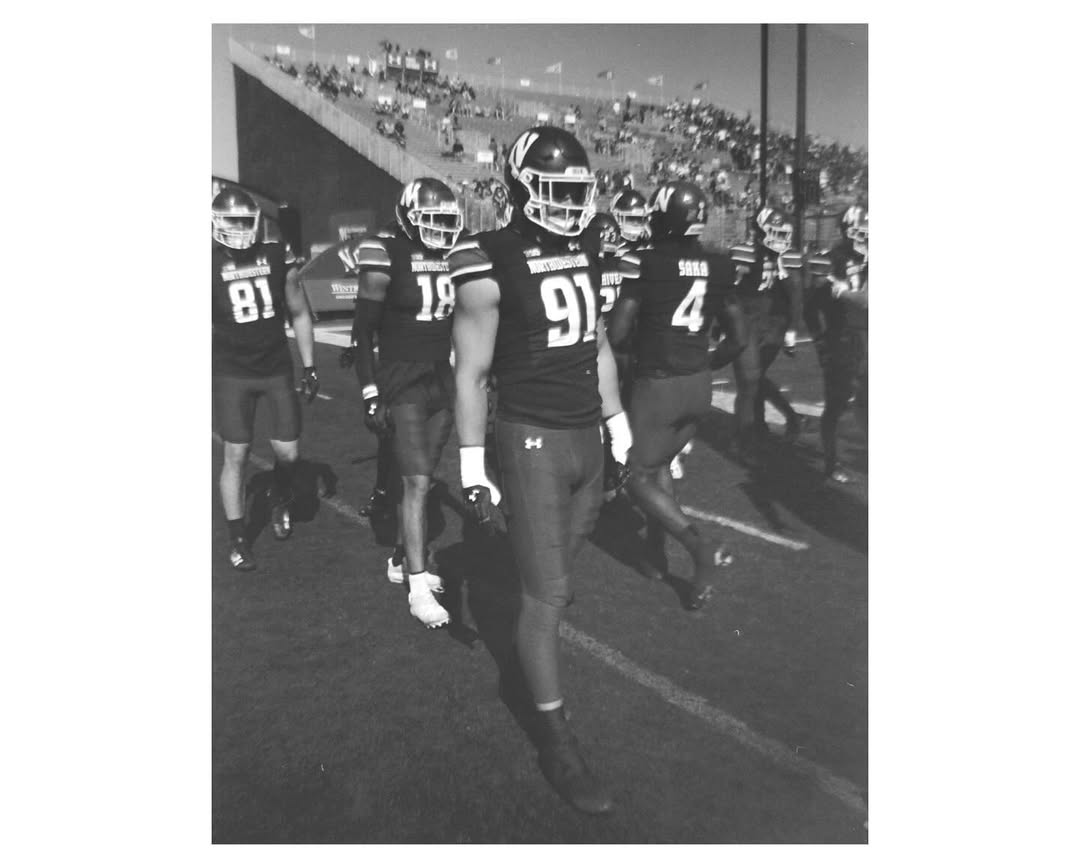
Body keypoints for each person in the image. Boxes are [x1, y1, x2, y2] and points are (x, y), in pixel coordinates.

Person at [448, 126, 629, 815]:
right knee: (548, 595)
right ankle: (556, 741)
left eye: (577, 191)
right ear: (521, 188)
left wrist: (616, 420)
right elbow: (471, 371)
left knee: (557, 583)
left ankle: (532, 644)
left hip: (586, 435)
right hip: (532, 438)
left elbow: (598, 342)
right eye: (554, 190)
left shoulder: (589, 244)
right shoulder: (488, 255)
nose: (569, 203)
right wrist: (472, 462)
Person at [609, 180, 739, 608]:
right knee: (660, 463)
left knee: (633, 476)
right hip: (699, 382)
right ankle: (655, 552)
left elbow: (619, 332)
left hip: (658, 384)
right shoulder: (719, 265)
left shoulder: (643, 262)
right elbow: (739, 337)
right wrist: (705, 363)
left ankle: (699, 547)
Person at [340, 178, 463, 627]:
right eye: (432, 219)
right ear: (408, 216)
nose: (441, 228)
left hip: (441, 379)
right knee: (416, 481)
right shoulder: (385, 252)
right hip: (401, 379)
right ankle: (417, 584)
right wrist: (370, 391)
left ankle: (399, 557)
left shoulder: (454, 253)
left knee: (422, 476)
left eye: (447, 220)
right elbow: (364, 330)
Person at [211, 188, 319, 571]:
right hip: (232, 372)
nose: (240, 229)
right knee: (236, 454)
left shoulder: (275, 255)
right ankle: (238, 538)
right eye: (232, 222)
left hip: (274, 367)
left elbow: (299, 311)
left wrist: (309, 365)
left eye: (245, 222)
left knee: (289, 453)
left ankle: (280, 493)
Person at [727, 206, 806, 462]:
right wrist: (724, 325)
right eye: (775, 232)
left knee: (752, 381)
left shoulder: (789, 256)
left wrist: (791, 329)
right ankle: (753, 433)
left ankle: (749, 436)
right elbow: (727, 290)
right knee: (751, 381)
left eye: (784, 234)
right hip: (747, 321)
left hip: (772, 324)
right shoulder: (745, 252)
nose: (780, 239)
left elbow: (796, 294)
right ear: (760, 231)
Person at [805, 206, 868, 483]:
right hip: (841, 338)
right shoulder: (831, 260)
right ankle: (832, 461)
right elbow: (810, 309)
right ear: (849, 231)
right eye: (863, 232)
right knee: (837, 404)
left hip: (867, 338)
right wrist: (820, 342)